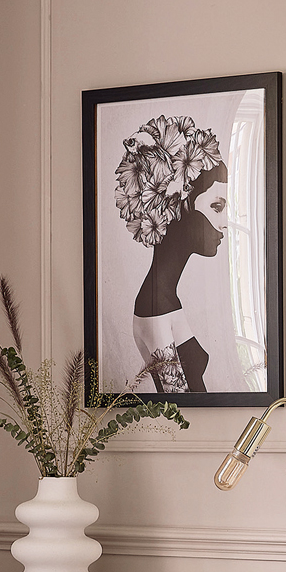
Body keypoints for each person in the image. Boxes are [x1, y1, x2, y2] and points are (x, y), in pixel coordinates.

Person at [113, 114, 228, 394]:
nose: (225, 221)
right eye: (216, 206)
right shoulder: (155, 307)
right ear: (178, 205)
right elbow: (179, 407)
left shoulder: (164, 298)